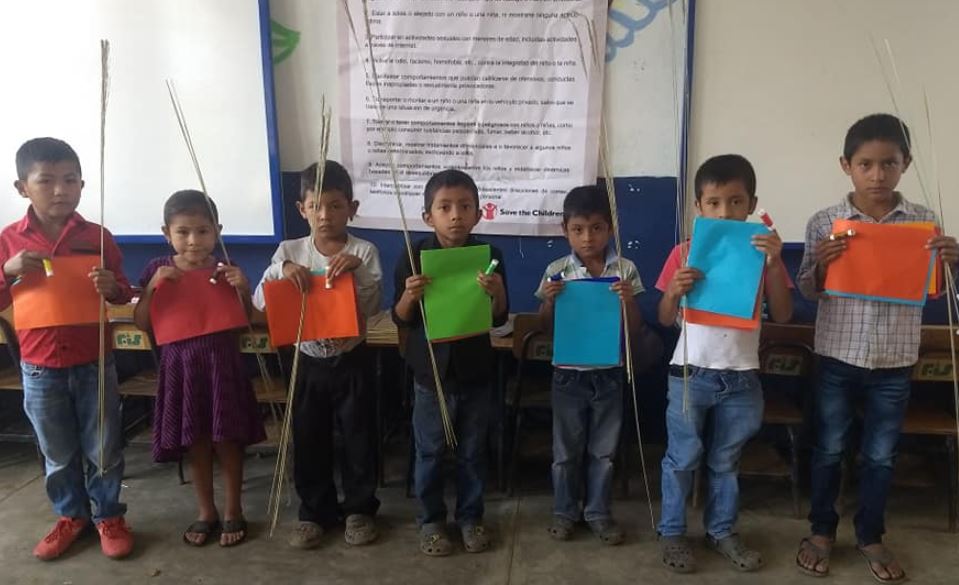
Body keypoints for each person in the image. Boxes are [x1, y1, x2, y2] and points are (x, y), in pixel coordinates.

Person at [795, 114, 959, 583]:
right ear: (846, 165)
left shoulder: (924, 222)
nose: (877, 175)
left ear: (906, 164)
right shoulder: (825, 222)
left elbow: (935, 292)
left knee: (881, 455)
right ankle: (822, 531)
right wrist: (822, 266)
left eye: (889, 163)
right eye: (865, 164)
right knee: (829, 449)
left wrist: (952, 264)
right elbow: (808, 289)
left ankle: (870, 534)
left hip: (895, 359)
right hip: (837, 355)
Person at [656, 154, 793, 573]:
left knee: (726, 461)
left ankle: (721, 531)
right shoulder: (684, 252)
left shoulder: (761, 254)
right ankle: (672, 532)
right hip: (689, 372)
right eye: (713, 203)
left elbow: (784, 313)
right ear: (699, 206)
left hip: (742, 375)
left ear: (752, 204)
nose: (724, 212)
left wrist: (774, 264)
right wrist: (674, 292)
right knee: (681, 458)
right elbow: (664, 318)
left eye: (736, 201)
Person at [0, 137, 135, 559]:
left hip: (94, 362)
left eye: (70, 179)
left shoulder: (97, 237)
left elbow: (123, 292)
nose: (60, 190)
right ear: (22, 187)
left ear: (82, 184)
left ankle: (108, 515)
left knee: (104, 447)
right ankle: (71, 516)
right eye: (46, 180)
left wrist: (112, 288)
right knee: (56, 452)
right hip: (39, 367)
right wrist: (7, 271)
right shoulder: (9, 240)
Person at [253, 160, 382, 549]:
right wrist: (282, 270)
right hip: (306, 361)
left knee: (358, 437)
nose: (325, 215)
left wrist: (357, 272)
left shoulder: (364, 251)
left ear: (352, 209)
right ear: (302, 209)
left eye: (336, 205)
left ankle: (359, 509)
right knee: (309, 437)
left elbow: (372, 307)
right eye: (316, 206)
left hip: (352, 357)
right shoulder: (289, 251)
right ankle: (314, 512)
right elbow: (260, 302)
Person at [134, 190, 265, 547]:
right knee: (196, 441)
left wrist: (243, 288)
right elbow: (142, 322)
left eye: (203, 231)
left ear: (217, 231)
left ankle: (234, 509)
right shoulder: (157, 269)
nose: (193, 240)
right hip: (181, 368)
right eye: (183, 232)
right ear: (167, 234)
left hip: (222, 365)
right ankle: (206, 511)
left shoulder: (225, 268)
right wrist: (152, 289)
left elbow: (246, 319)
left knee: (228, 438)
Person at [392, 169, 508, 556]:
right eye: (445, 207)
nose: (456, 215)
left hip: (475, 372)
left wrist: (496, 292)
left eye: (465, 206)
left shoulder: (490, 256)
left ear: (478, 213)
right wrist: (410, 295)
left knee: (473, 451)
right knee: (429, 452)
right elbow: (400, 318)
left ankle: (471, 518)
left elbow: (498, 317)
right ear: (429, 217)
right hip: (431, 376)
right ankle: (431, 521)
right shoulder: (413, 256)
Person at [535, 185, 644, 545]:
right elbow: (545, 327)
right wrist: (549, 302)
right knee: (565, 453)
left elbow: (634, 328)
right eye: (578, 229)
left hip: (609, 373)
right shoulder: (557, 270)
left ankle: (598, 512)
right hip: (568, 375)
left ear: (610, 229)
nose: (587, 238)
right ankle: (564, 512)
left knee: (604, 453)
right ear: (565, 230)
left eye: (596, 228)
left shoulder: (625, 269)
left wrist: (628, 301)